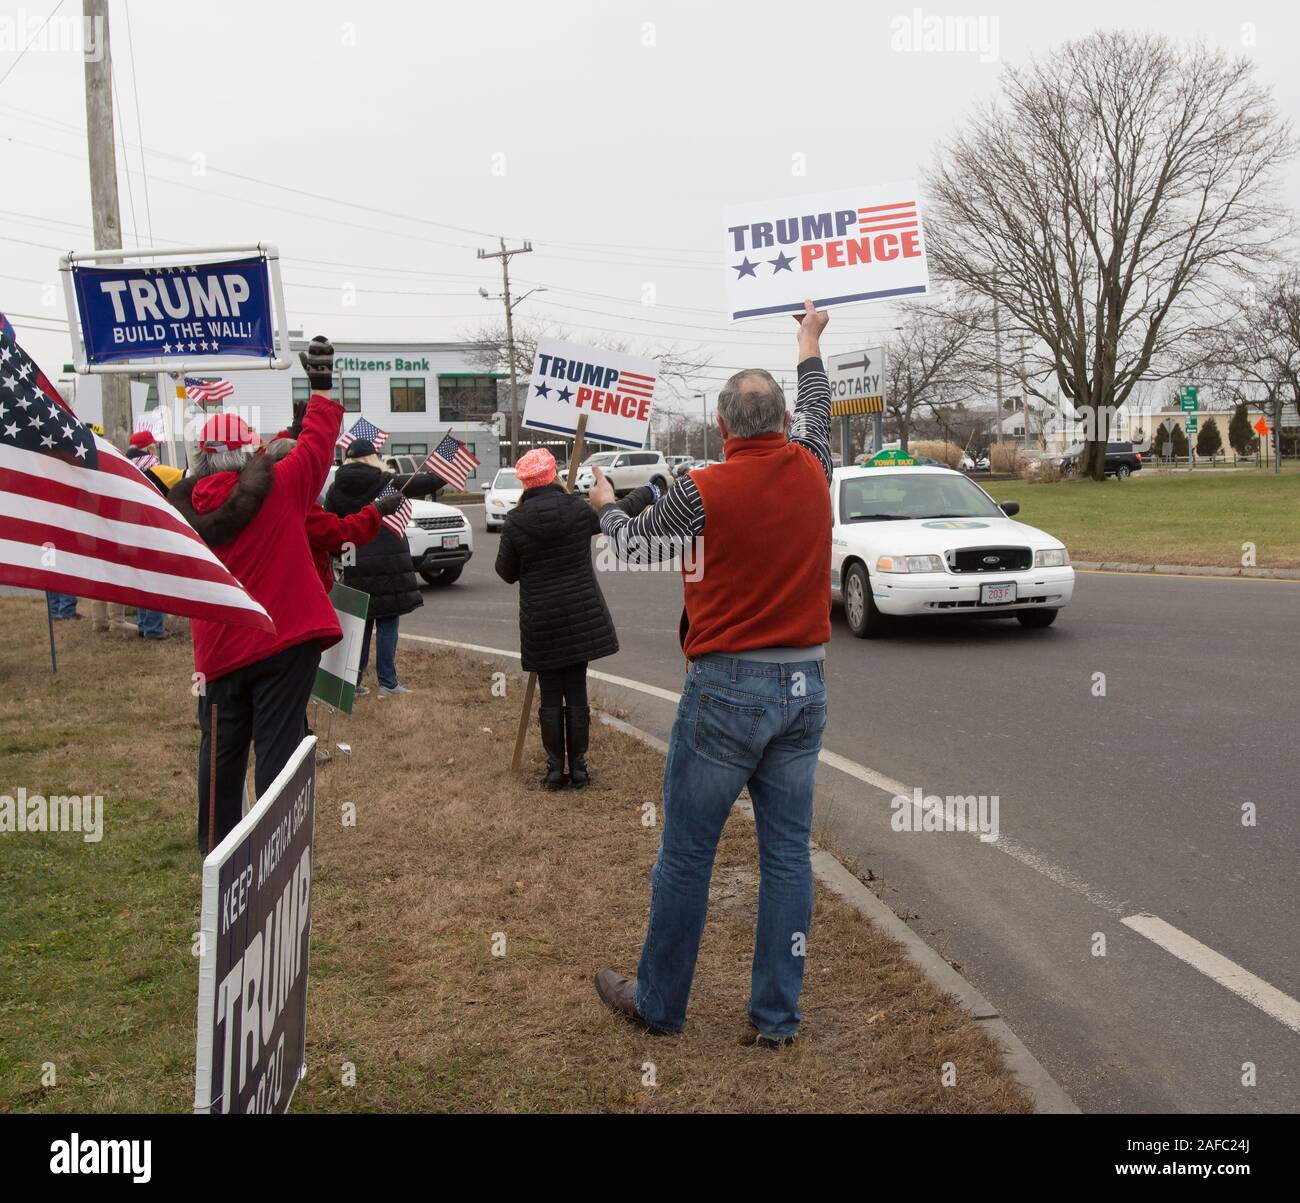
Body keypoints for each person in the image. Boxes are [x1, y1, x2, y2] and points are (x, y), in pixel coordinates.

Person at [591, 299, 833, 1046]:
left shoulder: (702, 489)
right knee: (788, 858)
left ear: (724, 429)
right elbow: (820, 410)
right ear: (785, 426)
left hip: (727, 688)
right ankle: (775, 1017)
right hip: (806, 687)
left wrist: (604, 505)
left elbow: (630, 547)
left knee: (688, 854)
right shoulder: (816, 467)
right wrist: (808, 342)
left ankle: (660, 1003)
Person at [168, 336, 344, 853]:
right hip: (284, 639)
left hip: (220, 651)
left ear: (198, 461)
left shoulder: (180, 515)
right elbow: (316, 445)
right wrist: (321, 387)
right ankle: (275, 848)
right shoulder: (282, 485)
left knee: (219, 750)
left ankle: (217, 850)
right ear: (251, 453)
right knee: (277, 744)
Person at [494, 448, 654, 789]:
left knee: (550, 692)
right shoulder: (578, 511)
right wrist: (650, 491)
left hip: (541, 621)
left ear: (524, 482)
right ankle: (579, 769)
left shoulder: (516, 521)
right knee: (576, 690)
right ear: (553, 475)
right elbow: (618, 511)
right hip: (580, 616)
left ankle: (554, 771)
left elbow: (505, 573)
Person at [323, 440, 446, 697]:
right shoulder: (385, 482)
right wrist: (446, 460)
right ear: (372, 458)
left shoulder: (335, 488)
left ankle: (353, 682)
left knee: (361, 623)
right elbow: (426, 482)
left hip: (353, 557)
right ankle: (387, 683)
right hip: (388, 559)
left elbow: (329, 527)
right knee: (388, 622)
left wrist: (338, 557)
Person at [262, 436, 406, 593]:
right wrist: (378, 510)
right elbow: (338, 532)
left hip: (278, 585)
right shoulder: (296, 504)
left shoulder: (259, 497)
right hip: (301, 590)